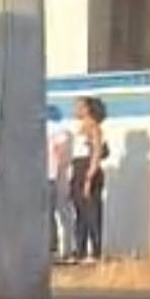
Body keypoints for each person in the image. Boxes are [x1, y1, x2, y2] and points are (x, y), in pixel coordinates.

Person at [69, 96, 107, 264]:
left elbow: (96, 154)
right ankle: (80, 251)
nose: (76, 109)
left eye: (79, 106)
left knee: (92, 213)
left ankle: (96, 252)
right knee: (80, 214)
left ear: (87, 109)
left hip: (88, 171)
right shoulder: (80, 129)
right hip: (77, 170)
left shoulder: (94, 129)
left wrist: (89, 178)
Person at [47, 105, 74, 261]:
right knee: (50, 214)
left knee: (48, 214)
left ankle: (52, 248)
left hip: (50, 176)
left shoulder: (56, 131)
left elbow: (62, 155)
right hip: (51, 175)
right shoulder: (59, 131)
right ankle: (52, 249)